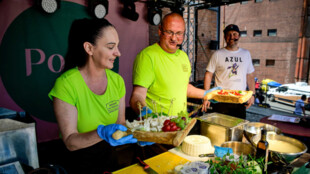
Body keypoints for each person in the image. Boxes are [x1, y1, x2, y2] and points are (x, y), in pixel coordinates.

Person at [48, 18, 143, 173]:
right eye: (111, 47)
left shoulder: (117, 81)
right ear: (89, 48)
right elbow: (70, 142)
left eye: (117, 46)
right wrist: (101, 133)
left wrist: (143, 134)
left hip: (109, 159)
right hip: (77, 163)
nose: (118, 53)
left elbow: (121, 124)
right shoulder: (66, 84)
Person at [130, 13, 219, 116]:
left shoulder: (183, 57)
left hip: (180, 123)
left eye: (179, 33)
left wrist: (206, 94)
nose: (174, 38)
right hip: (157, 127)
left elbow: (183, 87)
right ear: (160, 31)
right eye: (169, 32)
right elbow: (137, 95)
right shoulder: (147, 56)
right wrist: (145, 113)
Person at [203, 24, 255, 119]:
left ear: (239, 36)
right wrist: (207, 96)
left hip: (239, 100)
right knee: (218, 128)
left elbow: (250, 76)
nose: (232, 37)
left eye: (234, 34)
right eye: (229, 34)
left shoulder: (246, 54)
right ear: (225, 37)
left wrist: (252, 94)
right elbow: (208, 74)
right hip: (220, 100)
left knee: (238, 128)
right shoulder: (217, 54)